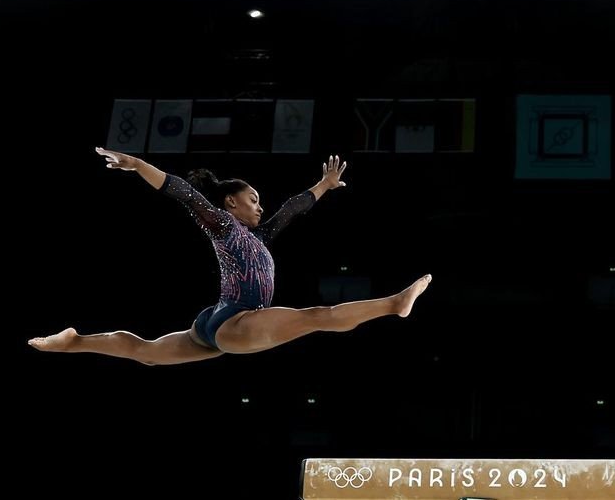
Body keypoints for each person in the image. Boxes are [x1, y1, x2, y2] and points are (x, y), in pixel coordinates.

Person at [28, 148, 431, 365]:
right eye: (252, 200)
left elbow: (292, 208)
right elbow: (183, 193)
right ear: (230, 203)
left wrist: (324, 185)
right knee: (317, 317)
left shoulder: (261, 236)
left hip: (213, 322)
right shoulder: (222, 223)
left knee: (146, 353)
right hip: (238, 318)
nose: (260, 207)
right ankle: (393, 304)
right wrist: (137, 165)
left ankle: (75, 342)